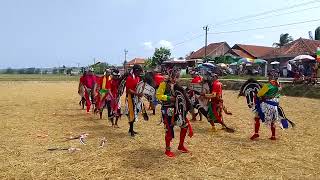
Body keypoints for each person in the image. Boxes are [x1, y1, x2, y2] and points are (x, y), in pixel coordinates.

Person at [156, 67, 191, 158]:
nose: (176, 78)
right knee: (169, 129)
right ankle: (167, 150)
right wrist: (169, 98)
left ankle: (181, 145)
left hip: (177, 109)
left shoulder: (177, 85)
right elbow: (158, 95)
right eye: (175, 76)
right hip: (168, 109)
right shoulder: (163, 84)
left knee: (184, 126)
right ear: (171, 76)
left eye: (177, 76)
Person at [251, 73, 281, 140]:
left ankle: (256, 133)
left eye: (269, 77)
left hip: (266, 105)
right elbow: (278, 95)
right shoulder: (278, 86)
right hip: (274, 105)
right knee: (273, 120)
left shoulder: (267, 86)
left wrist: (256, 96)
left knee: (257, 117)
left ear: (270, 78)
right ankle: (273, 135)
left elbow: (259, 95)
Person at [125, 64, 143, 137]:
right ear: (136, 71)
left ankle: (131, 129)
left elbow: (138, 87)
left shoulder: (137, 78)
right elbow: (129, 90)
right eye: (139, 71)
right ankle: (131, 130)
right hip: (130, 97)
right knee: (131, 113)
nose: (140, 73)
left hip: (135, 97)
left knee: (136, 112)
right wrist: (137, 94)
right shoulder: (129, 78)